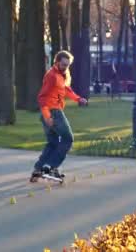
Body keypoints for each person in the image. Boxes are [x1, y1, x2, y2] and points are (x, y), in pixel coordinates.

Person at [31, 50, 87, 181]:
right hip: (53, 112)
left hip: (50, 113)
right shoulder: (52, 76)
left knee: (53, 143)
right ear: (56, 62)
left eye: (67, 65)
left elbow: (66, 89)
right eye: (63, 64)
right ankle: (50, 167)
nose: (65, 67)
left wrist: (78, 99)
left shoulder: (61, 75)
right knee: (68, 139)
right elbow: (42, 97)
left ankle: (38, 169)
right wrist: (47, 116)